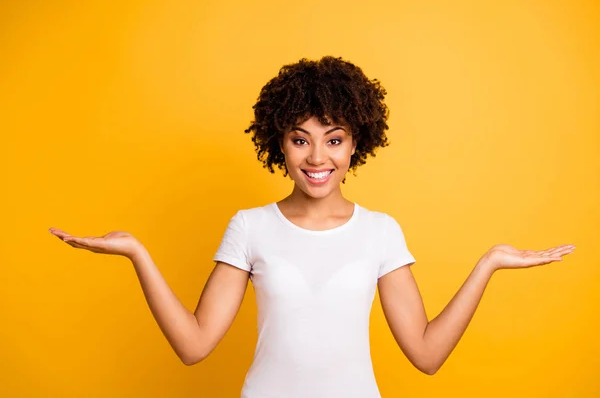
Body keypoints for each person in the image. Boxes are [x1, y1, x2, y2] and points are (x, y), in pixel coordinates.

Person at [48, 56, 575, 398]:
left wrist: (489, 264)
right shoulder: (249, 227)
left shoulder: (380, 232)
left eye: (334, 139)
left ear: (355, 144)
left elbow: (427, 355)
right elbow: (194, 346)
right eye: (300, 139)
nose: (317, 156)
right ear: (278, 142)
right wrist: (137, 253)